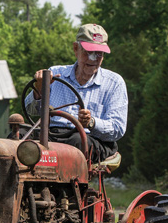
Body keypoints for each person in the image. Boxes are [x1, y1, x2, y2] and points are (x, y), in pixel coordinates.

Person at [24, 23, 128, 164]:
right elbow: (30, 111)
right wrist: (39, 89)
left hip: (90, 139)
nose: (93, 59)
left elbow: (117, 129)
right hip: (52, 134)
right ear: (75, 49)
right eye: (89, 52)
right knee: (19, 136)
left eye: (99, 54)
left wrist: (91, 122)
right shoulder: (55, 74)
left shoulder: (114, 83)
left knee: (75, 143)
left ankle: (64, 185)